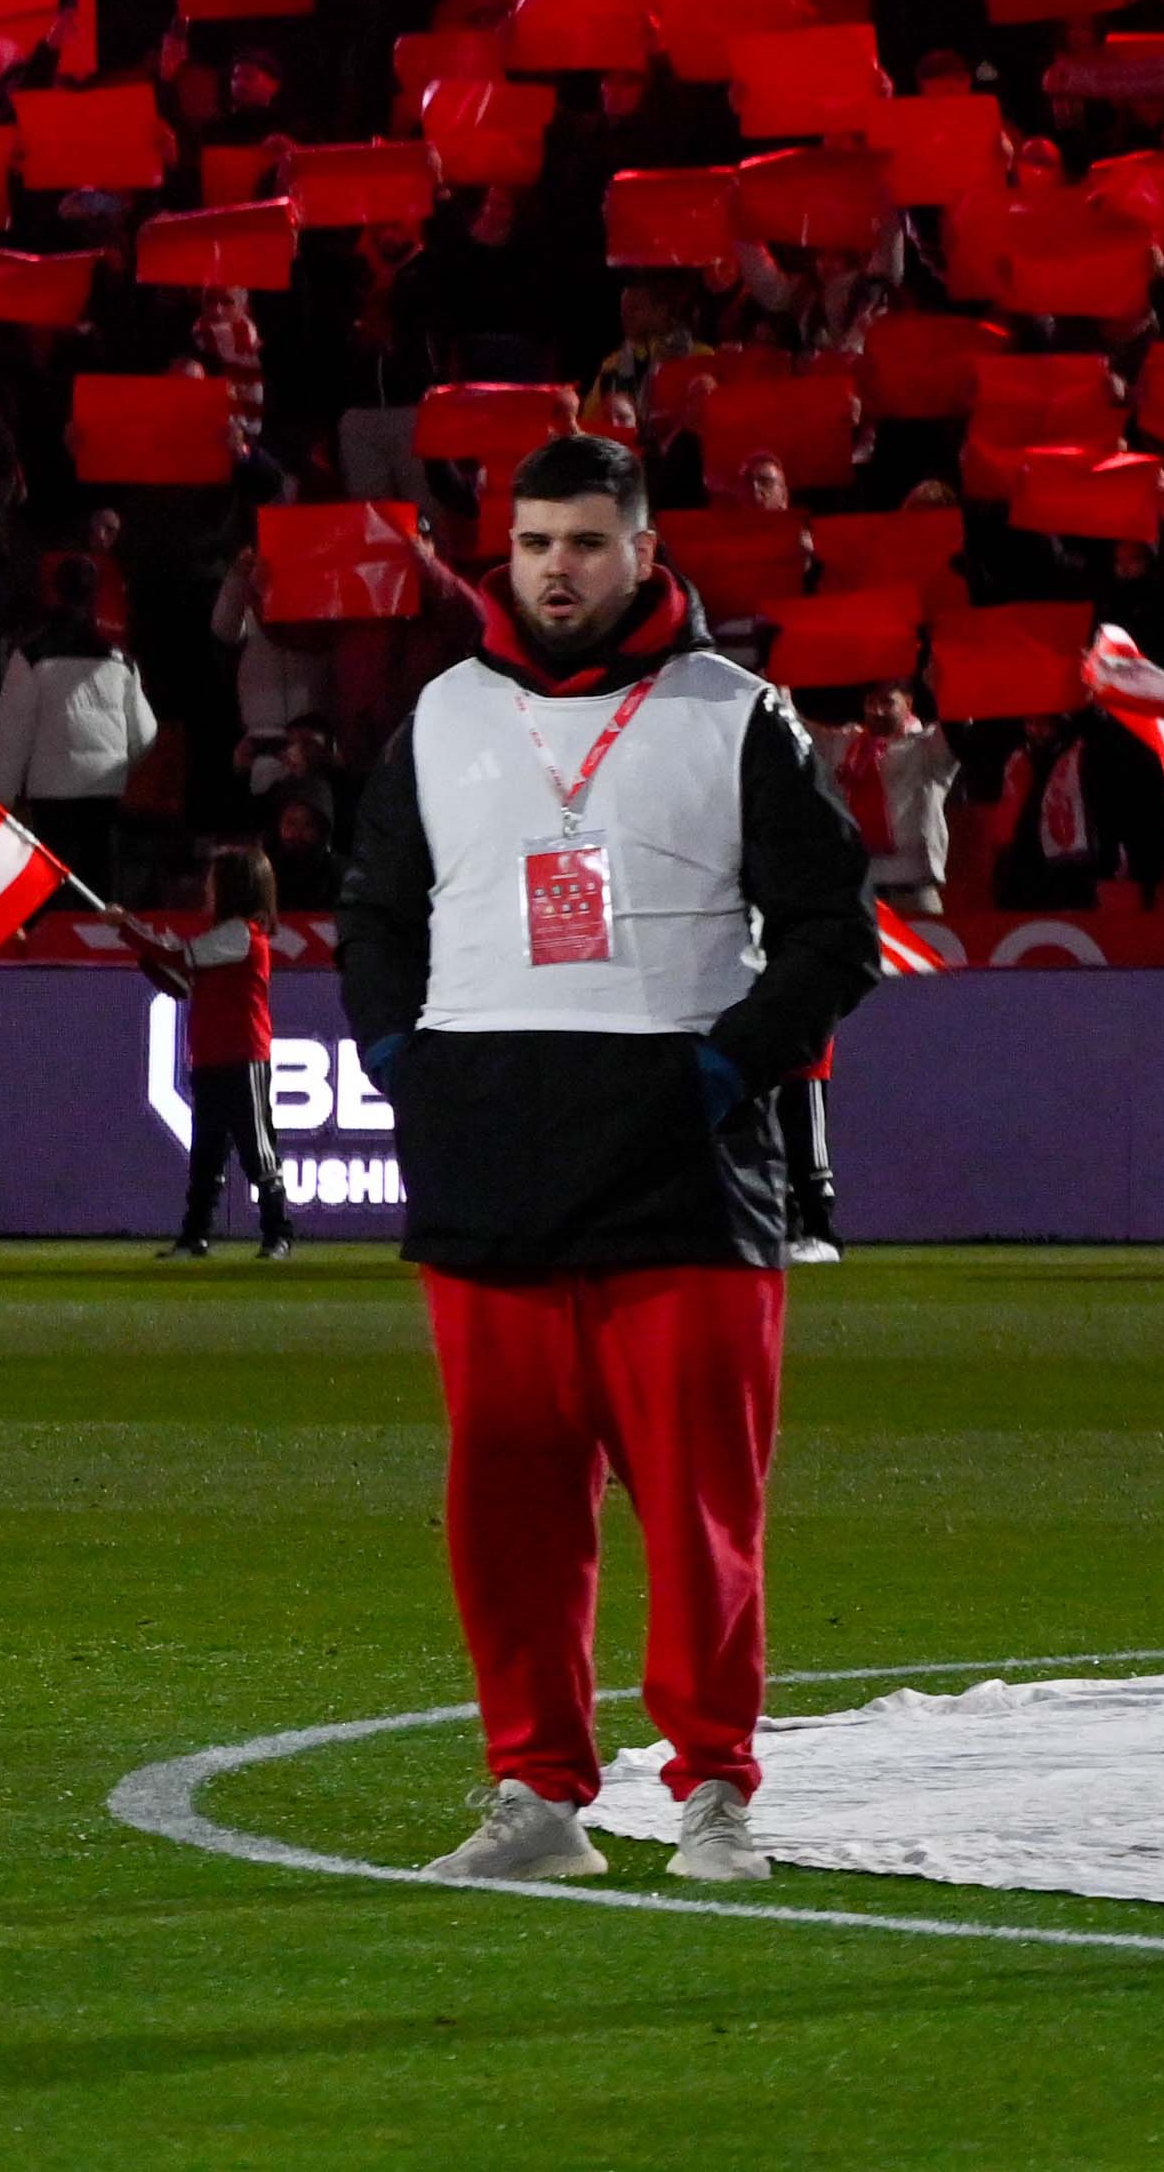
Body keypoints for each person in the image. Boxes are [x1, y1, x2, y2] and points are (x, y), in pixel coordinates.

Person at [338, 434, 878, 1886]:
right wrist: (402, 1059)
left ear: (643, 551)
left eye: (584, 542)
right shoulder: (444, 714)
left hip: (681, 1169)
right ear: (500, 558)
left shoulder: (736, 713)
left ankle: (714, 1794)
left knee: (702, 1509)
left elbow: (837, 933)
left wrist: (719, 1066)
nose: (556, 569)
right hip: (489, 1159)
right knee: (506, 1506)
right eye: (532, 546)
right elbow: (374, 909)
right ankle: (537, 1800)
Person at [122, 858, 297, 1258]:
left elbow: (180, 960)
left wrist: (128, 930)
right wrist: (148, 953)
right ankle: (195, 1234)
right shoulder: (224, 939)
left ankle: (278, 1232)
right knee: (206, 1152)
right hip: (211, 1058)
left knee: (257, 1148)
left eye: (214, 882)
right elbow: (180, 981)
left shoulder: (241, 934)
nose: (207, 890)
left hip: (243, 1056)